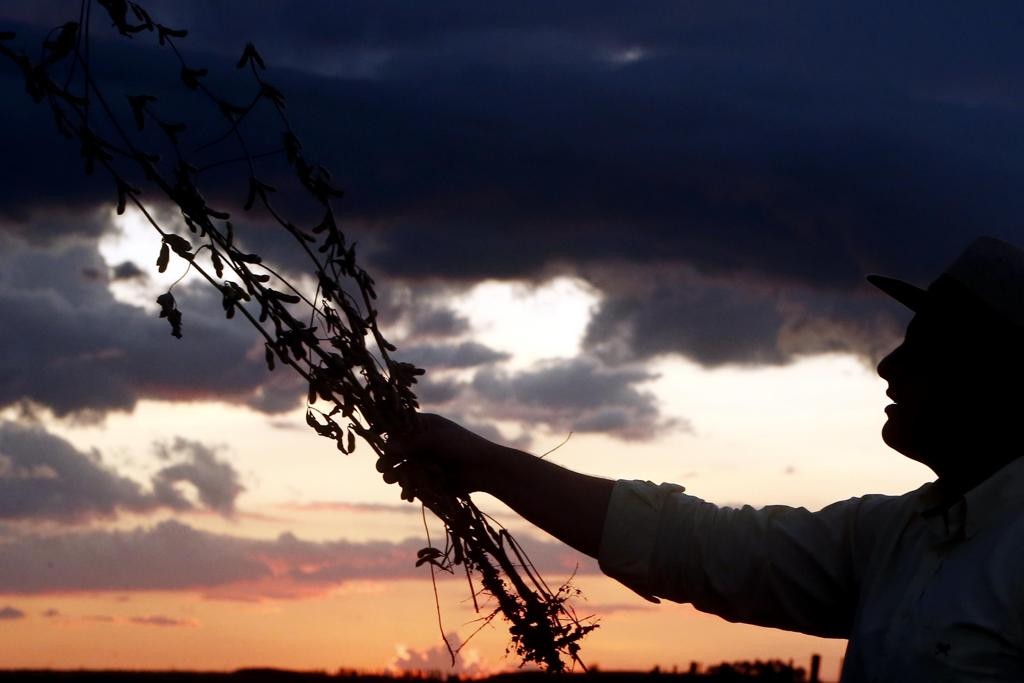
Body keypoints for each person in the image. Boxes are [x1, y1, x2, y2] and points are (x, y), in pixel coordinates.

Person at [380, 236, 1024, 682]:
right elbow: (696, 545)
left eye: (923, 349)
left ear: (988, 377)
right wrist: (485, 465)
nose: (889, 366)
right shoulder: (895, 537)